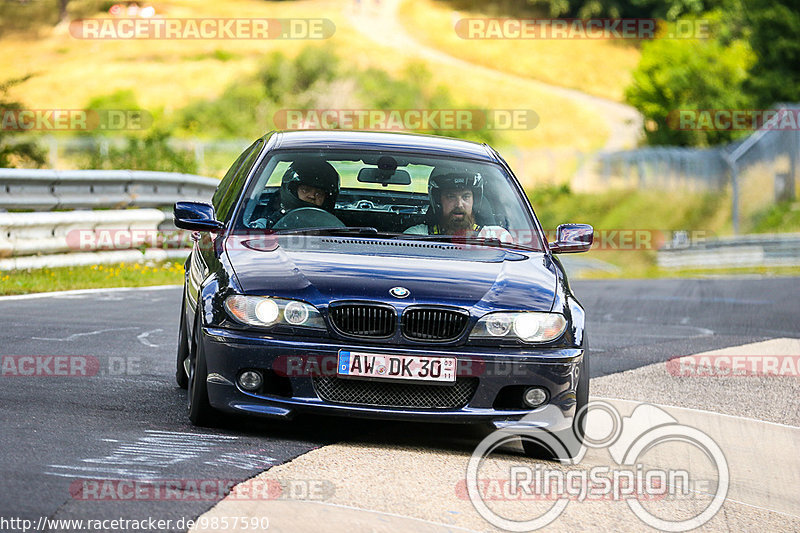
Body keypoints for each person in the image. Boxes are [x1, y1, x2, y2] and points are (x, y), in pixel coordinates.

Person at [405, 168, 513, 242]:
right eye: (451, 196)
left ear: (474, 201)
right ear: (438, 202)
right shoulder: (417, 236)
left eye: (466, 197)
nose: (459, 204)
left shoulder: (496, 236)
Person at [249, 158, 340, 229]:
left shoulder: (336, 228)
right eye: (306, 190)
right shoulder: (272, 222)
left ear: (327, 197)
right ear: (293, 191)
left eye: (319, 193)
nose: (312, 196)